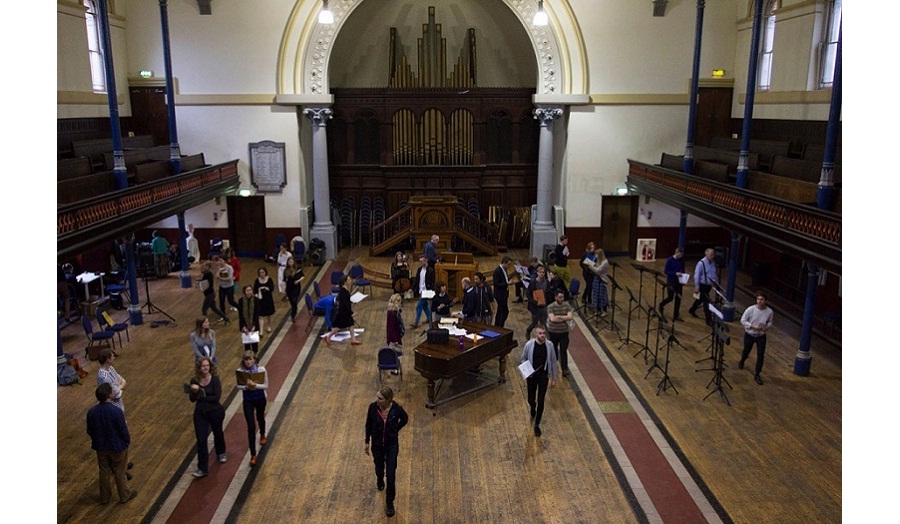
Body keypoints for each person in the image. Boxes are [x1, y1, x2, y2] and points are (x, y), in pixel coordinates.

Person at [86, 383, 136, 504]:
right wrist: (126, 442)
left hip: (101, 447)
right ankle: (124, 496)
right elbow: (123, 429)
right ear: (110, 395)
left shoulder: (92, 411)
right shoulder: (116, 411)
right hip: (117, 446)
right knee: (119, 470)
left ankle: (105, 498)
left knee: (104, 471)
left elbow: (89, 430)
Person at [364, 386, 409, 518]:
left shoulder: (397, 410)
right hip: (377, 445)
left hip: (391, 446)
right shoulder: (373, 408)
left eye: (380, 398)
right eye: (377, 397)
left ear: (388, 399)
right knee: (379, 468)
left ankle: (389, 503)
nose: (377, 400)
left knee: (391, 475)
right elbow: (368, 424)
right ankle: (379, 478)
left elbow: (405, 420)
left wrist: (395, 430)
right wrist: (367, 441)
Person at [189, 356, 227, 478]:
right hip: (200, 414)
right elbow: (192, 399)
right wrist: (195, 392)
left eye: (207, 365)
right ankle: (202, 468)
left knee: (218, 433)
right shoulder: (194, 381)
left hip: (215, 411)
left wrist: (201, 393)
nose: (205, 368)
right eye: (203, 366)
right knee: (201, 440)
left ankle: (221, 452)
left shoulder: (215, 380)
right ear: (199, 368)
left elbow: (216, 397)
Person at [520, 325, 557, 437]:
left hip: (543, 376)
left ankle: (537, 424)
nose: (542, 336)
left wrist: (554, 378)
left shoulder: (549, 345)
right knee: (531, 398)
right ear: (536, 334)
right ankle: (532, 406)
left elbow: (553, 361)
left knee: (541, 400)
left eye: (544, 333)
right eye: (540, 333)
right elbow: (523, 358)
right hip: (532, 376)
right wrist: (527, 370)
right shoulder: (529, 345)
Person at [236, 351, 268, 466]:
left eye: (250, 359)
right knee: (250, 426)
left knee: (260, 417)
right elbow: (238, 386)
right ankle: (253, 454)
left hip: (259, 398)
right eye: (246, 360)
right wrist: (246, 386)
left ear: (254, 360)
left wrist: (255, 386)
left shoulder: (261, 370)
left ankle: (263, 433)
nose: (249, 362)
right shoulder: (240, 371)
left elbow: (266, 385)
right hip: (248, 400)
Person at [739, 292, 774, 385]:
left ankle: (757, 373)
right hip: (750, 334)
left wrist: (766, 327)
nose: (759, 301)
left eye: (761, 299)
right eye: (758, 299)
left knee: (761, 355)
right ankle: (742, 359)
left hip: (761, 336)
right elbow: (743, 320)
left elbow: (770, 322)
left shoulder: (769, 312)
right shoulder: (751, 309)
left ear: (765, 301)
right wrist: (752, 326)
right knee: (746, 350)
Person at [325, 274, 360, 346]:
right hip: (343, 312)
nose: (350, 281)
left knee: (351, 324)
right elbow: (345, 304)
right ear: (344, 282)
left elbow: (346, 301)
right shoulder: (343, 292)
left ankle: (353, 339)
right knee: (338, 327)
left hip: (345, 311)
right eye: (349, 280)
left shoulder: (345, 291)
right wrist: (351, 313)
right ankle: (328, 337)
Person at [546, 290, 574, 377]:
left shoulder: (566, 305)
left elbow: (570, 316)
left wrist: (559, 316)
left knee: (563, 350)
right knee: (553, 351)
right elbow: (552, 319)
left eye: (563, 297)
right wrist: (564, 318)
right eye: (560, 297)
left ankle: (564, 369)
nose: (562, 299)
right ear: (555, 297)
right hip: (553, 332)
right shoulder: (551, 306)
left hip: (564, 332)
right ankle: (553, 367)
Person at [689, 248, 719, 325]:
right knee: (707, 302)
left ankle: (692, 309)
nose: (713, 256)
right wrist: (697, 286)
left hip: (708, 286)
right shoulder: (701, 263)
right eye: (711, 254)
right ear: (706, 254)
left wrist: (715, 283)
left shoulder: (713, 263)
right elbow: (696, 275)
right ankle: (708, 320)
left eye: (713, 254)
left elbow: (714, 273)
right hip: (702, 286)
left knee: (700, 299)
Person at [658, 247, 686, 321]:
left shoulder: (682, 260)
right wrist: (675, 274)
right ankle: (661, 304)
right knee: (670, 297)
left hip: (679, 282)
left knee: (678, 298)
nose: (681, 256)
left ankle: (676, 314)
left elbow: (683, 269)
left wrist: (683, 276)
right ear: (677, 253)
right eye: (680, 255)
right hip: (671, 281)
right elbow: (666, 271)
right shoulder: (670, 260)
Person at [525, 265, 549, 340]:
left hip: (544, 305)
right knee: (534, 323)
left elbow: (548, 292)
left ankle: (542, 337)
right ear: (537, 273)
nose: (542, 274)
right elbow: (528, 294)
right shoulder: (533, 282)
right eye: (540, 272)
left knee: (543, 322)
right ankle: (528, 331)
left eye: (543, 272)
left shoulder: (546, 282)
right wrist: (534, 302)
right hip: (535, 306)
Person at [97, 348, 126, 412]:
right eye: (112, 356)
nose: (114, 358)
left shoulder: (110, 368)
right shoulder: (104, 377)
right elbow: (115, 393)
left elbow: (121, 379)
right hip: (112, 406)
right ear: (107, 360)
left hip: (119, 404)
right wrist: (120, 386)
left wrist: (118, 386)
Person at [411, 255, 435, 327]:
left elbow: (432, 282)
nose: (421, 263)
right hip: (421, 290)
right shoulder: (419, 270)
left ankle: (416, 322)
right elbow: (416, 280)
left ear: (426, 261)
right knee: (424, 306)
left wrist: (431, 291)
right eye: (420, 261)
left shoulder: (431, 270)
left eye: (422, 261)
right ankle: (429, 318)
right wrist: (412, 288)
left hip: (426, 291)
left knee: (419, 306)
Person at [238, 284, 261, 353]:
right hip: (245, 325)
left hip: (254, 325)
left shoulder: (256, 300)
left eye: (250, 290)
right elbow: (240, 315)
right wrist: (243, 327)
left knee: (255, 345)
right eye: (247, 290)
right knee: (247, 345)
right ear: (244, 292)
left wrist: (254, 325)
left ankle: (255, 357)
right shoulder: (241, 301)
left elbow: (257, 314)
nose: (249, 292)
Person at [254, 267, 276, 334]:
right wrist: (256, 295)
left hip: (268, 299)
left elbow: (272, 288)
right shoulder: (257, 281)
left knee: (269, 315)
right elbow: (255, 290)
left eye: (263, 272)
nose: (261, 274)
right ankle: (261, 330)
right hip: (260, 300)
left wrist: (266, 288)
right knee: (260, 315)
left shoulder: (269, 279)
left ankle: (269, 326)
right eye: (260, 272)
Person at [492, 256, 512, 328]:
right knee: (504, 311)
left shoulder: (504, 269)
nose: (509, 266)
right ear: (504, 263)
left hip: (504, 293)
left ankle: (498, 325)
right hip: (499, 294)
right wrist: (507, 283)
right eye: (508, 264)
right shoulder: (497, 271)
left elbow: (505, 279)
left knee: (500, 310)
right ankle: (500, 326)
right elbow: (496, 284)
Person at [589, 248, 610, 313]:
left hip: (601, 279)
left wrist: (591, 267)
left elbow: (598, 271)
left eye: (596, 255)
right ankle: (597, 310)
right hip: (596, 279)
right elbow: (596, 266)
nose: (595, 256)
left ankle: (604, 310)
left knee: (601, 296)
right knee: (596, 295)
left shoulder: (605, 262)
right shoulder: (598, 260)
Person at [284, 256, 305, 322]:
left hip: (296, 287)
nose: (290, 263)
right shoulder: (286, 271)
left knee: (294, 301)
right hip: (289, 288)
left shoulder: (298, 269)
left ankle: (293, 315)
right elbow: (284, 280)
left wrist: (298, 281)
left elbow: (303, 276)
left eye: (291, 261)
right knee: (292, 302)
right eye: (289, 262)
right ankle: (294, 310)